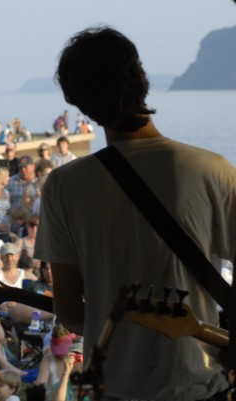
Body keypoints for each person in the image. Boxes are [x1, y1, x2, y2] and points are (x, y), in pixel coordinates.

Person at [34, 26, 236, 400]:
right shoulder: (213, 169)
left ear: (79, 103)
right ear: (141, 79)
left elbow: (68, 309)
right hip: (200, 385)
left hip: (115, 389)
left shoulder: (63, 185)